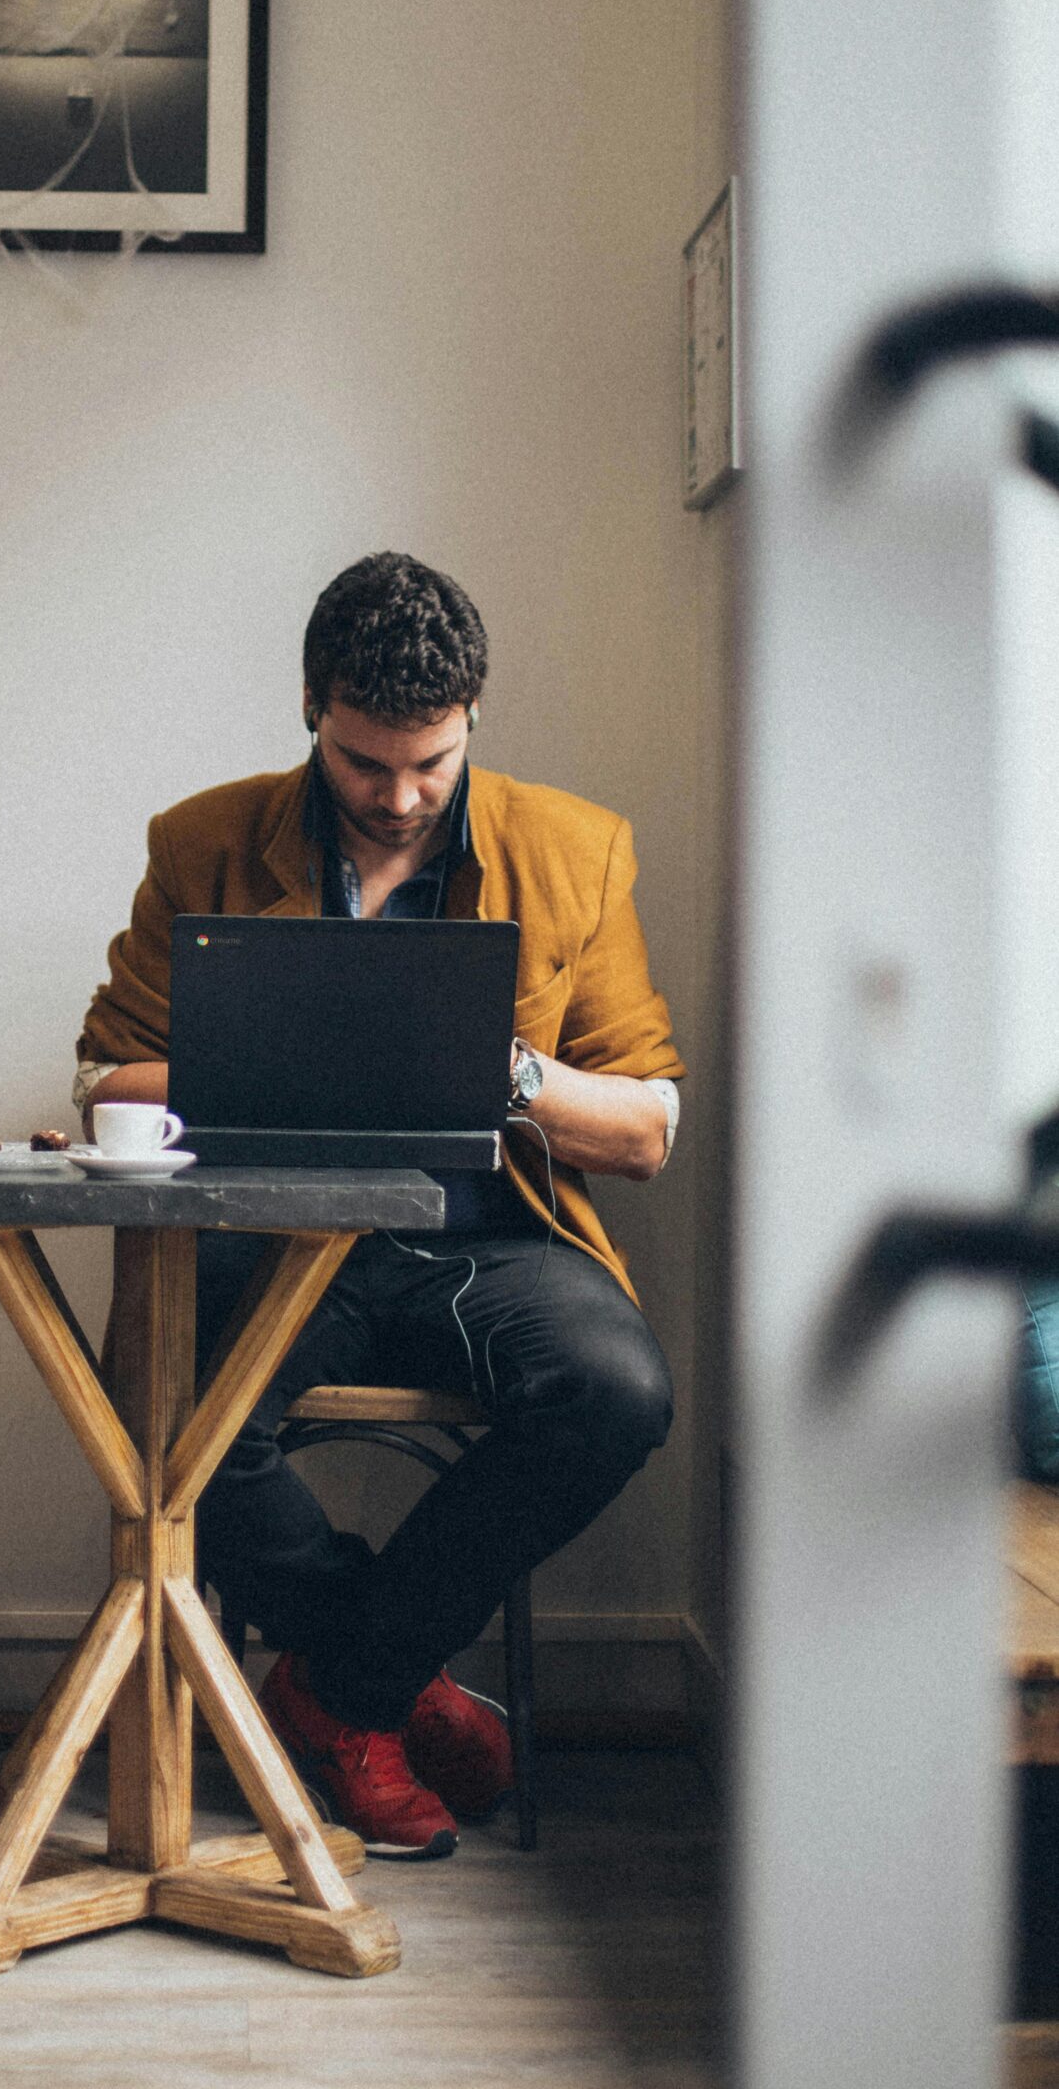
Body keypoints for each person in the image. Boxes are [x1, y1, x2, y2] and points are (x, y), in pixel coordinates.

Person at [75, 551, 683, 1858]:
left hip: (495, 1241)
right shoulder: (203, 840)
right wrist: (280, 1059)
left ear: (472, 725)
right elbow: (105, 1078)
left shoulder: (577, 851)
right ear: (311, 708)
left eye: (434, 764)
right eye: (366, 765)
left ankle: (340, 1686)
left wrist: (511, 1071)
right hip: (277, 1235)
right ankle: (386, 1680)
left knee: (620, 1394)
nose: (401, 798)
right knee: (158, 1396)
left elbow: (645, 1128)